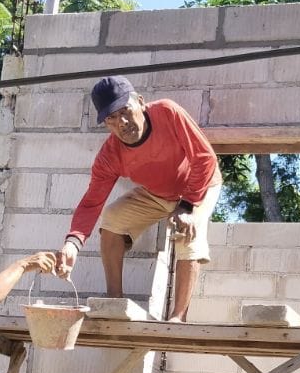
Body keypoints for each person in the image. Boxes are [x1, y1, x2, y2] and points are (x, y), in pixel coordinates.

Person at [55, 76, 222, 323]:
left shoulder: (167, 112)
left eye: (125, 111)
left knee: (188, 232)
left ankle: (178, 317)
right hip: (157, 194)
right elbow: (92, 202)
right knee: (112, 218)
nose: (122, 123)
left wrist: (187, 205)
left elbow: (204, 158)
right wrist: (72, 243)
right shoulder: (110, 155)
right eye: (111, 118)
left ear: (141, 102)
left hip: (199, 185)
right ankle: (114, 302)